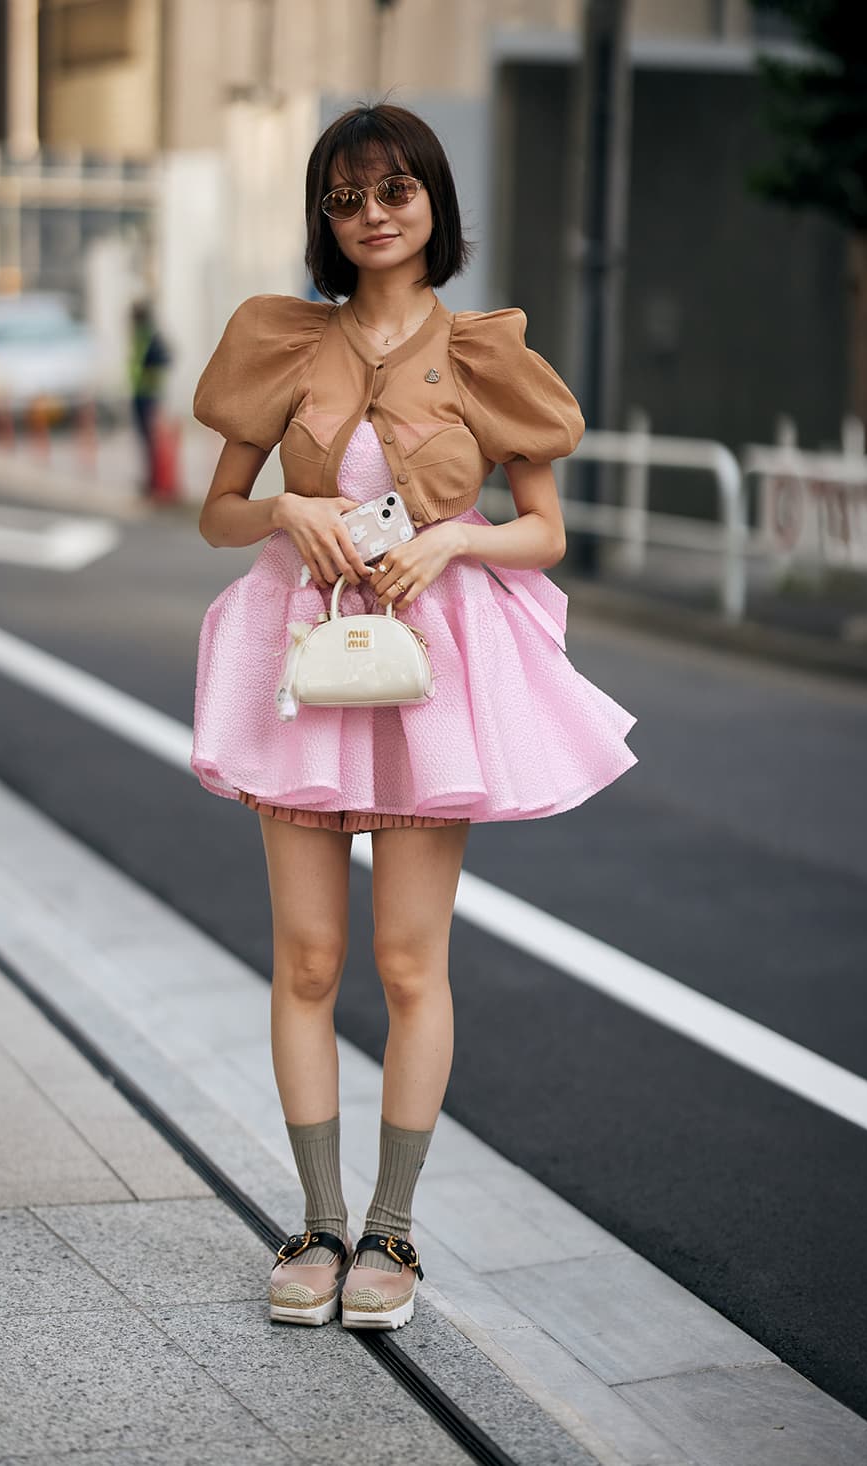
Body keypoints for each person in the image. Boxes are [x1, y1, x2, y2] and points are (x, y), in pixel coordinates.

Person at [189, 103, 638, 1333]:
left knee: (406, 961)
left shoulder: (486, 355)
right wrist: (287, 514)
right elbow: (217, 513)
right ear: (323, 223)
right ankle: (316, 1223)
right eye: (345, 198)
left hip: (428, 671)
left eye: (394, 189)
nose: (372, 214)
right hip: (304, 664)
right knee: (307, 960)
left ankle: (392, 1228)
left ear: (433, 200)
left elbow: (545, 530)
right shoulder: (281, 342)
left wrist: (453, 536)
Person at [129, 301, 171, 498]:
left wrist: (151, 376)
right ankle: (150, 480)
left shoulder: (150, 336)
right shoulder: (140, 336)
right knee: (145, 439)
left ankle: (155, 482)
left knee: (150, 439)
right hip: (139, 393)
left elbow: (165, 359)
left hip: (148, 395)